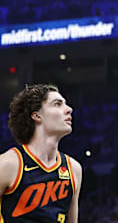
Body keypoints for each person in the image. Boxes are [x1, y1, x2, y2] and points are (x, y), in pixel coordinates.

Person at [0, 84, 82, 222]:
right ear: (37, 115)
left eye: (66, 105)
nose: (69, 110)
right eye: (57, 104)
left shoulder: (73, 169)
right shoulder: (8, 165)